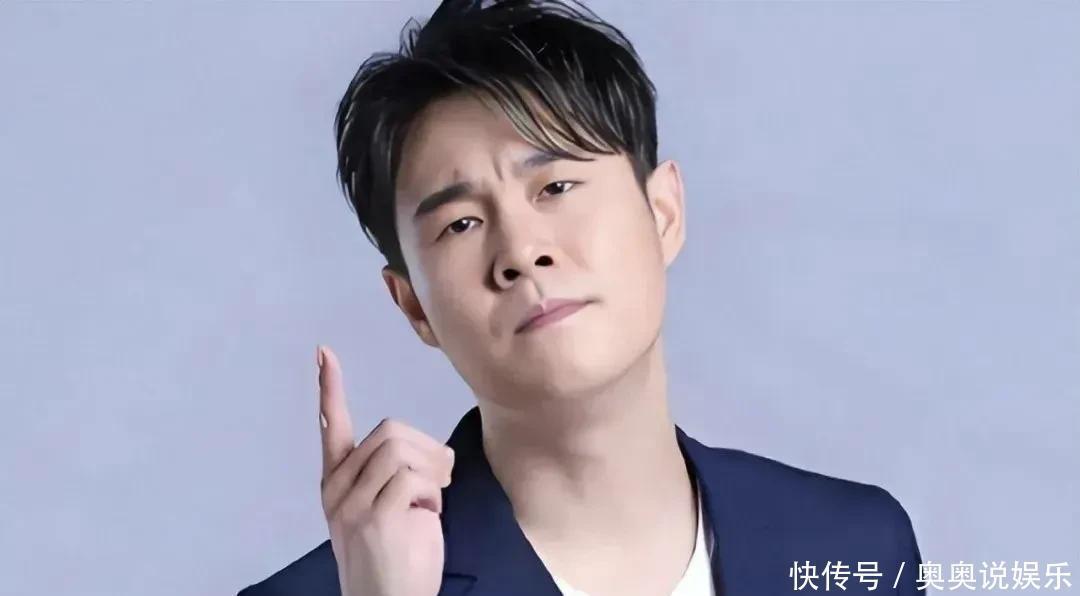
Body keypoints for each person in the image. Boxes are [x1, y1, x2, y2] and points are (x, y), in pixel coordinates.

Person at [238, 1, 925, 595]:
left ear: (663, 213)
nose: (520, 251)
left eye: (556, 187)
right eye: (461, 224)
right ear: (413, 304)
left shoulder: (854, 546)